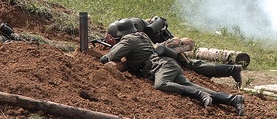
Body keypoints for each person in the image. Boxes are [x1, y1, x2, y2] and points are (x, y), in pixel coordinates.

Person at [100, 19, 245, 116]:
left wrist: (110, 48)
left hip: (161, 67)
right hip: (167, 64)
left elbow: (109, 57)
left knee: (161, 84)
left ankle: (199, 95)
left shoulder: (128, 40)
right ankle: (232, 99)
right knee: (188, 84)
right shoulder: (141, 35)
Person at [104, 17, 243, 88]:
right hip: (164, 48)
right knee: (191, 65)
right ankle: (231, 69)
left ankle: (231, 70)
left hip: (164, 49)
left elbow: (141, 47)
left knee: (190, 66)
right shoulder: (136, 27)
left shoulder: (134, 34)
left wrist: (115, 46)